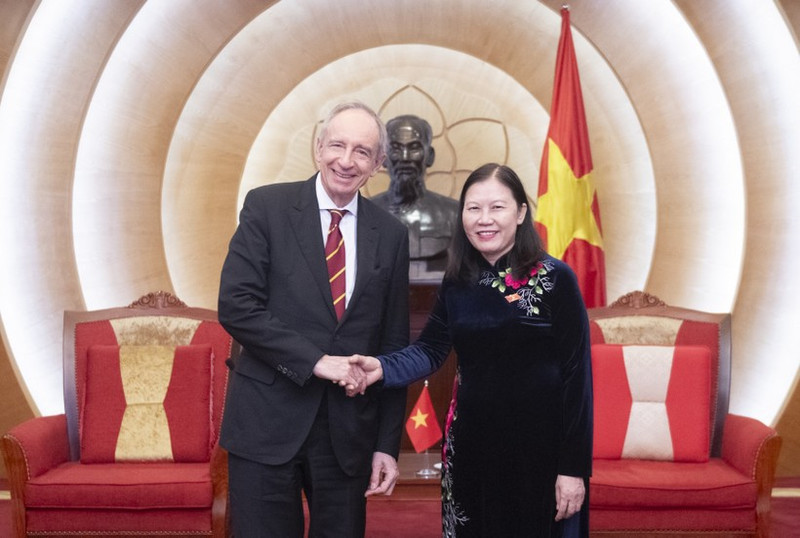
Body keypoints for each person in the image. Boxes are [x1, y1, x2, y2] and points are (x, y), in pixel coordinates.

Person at [350, 163, 593, 537]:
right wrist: (380, 368)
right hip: (470, 449)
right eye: (473, 208)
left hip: (540, 453)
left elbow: (578, 379)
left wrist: (573, 469)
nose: (484, 219)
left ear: (521, 213)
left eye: (497, 207)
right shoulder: (458, 280)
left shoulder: (556, 279)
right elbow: (430, 349)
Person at [217, 101, 411, 537]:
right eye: (337, 145)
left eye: (362, 151)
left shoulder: (392, 235)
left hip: (348, 436)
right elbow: (237, 305)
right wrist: (316, 361)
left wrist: (386, 445)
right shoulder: (266, 207)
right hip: (266, 424)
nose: (346, 160)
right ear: (318, 147)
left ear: (378, 164)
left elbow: (394, 346)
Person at [372, 114, 459, 276]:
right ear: (383, 157)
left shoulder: (454, 214)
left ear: (430, 156)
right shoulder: (365, 213)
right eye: (396, 149)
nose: (405, 158)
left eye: (414, 148)